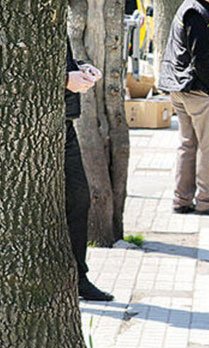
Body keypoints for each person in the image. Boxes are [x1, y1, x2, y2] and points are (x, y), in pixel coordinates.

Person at [159, 0, 209, 216]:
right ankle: (205, 200)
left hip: (181, 87)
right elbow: (200, 57)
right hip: (196, 90)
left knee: (187, 144)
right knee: (207, 147)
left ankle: (182, 199)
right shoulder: (197, 11)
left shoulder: (190, 7)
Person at [64, 39, 114, 302]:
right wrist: (62, 80)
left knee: (79, 199)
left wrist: (82, 68)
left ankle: (78, 277)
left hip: (64, 124)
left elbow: (61, 59)